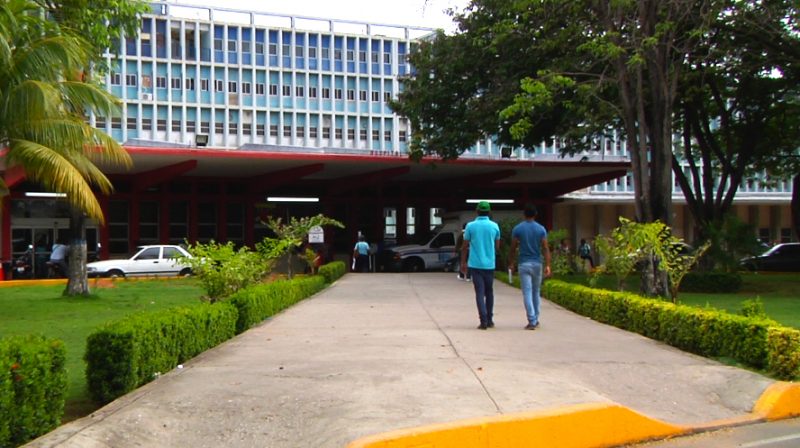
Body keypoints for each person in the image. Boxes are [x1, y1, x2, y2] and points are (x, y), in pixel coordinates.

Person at [508, 204, 551, 330]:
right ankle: (536, 319)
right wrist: (548, 265)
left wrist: (511, 263)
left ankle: (531, 320)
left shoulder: (518, 229)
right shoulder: (541, 229)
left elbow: (513, 248)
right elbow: (545, 247)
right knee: (536, 292)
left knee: (527, 292)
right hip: (537, 263)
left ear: (524, 214)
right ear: (535, 214)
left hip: (524, 263)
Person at [460, 201, 501, 330]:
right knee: (489, 292)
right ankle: (490, 320)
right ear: (489, 212)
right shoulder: (494, 226)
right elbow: (497, 246)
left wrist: (463, 262)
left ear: (477, 211)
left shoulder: (470, 226)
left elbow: (464, 246)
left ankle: (483, 321)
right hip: (489, 265)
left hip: (475, 264)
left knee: (479, 292)